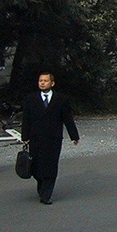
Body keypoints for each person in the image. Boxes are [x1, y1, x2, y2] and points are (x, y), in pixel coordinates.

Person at [21, 72, 80, 204]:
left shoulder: (60, 99)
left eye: (45, 81)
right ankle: (41, 183)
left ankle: (46, 195)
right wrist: (25, 136)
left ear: (52, 83)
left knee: (50, 166)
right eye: (40, 80)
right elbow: (26, 119)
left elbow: (67, 119)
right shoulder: (31, 99)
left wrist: (74, 136)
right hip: (35, 138)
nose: (42, 83)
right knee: (36, 167)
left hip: (53, 138)